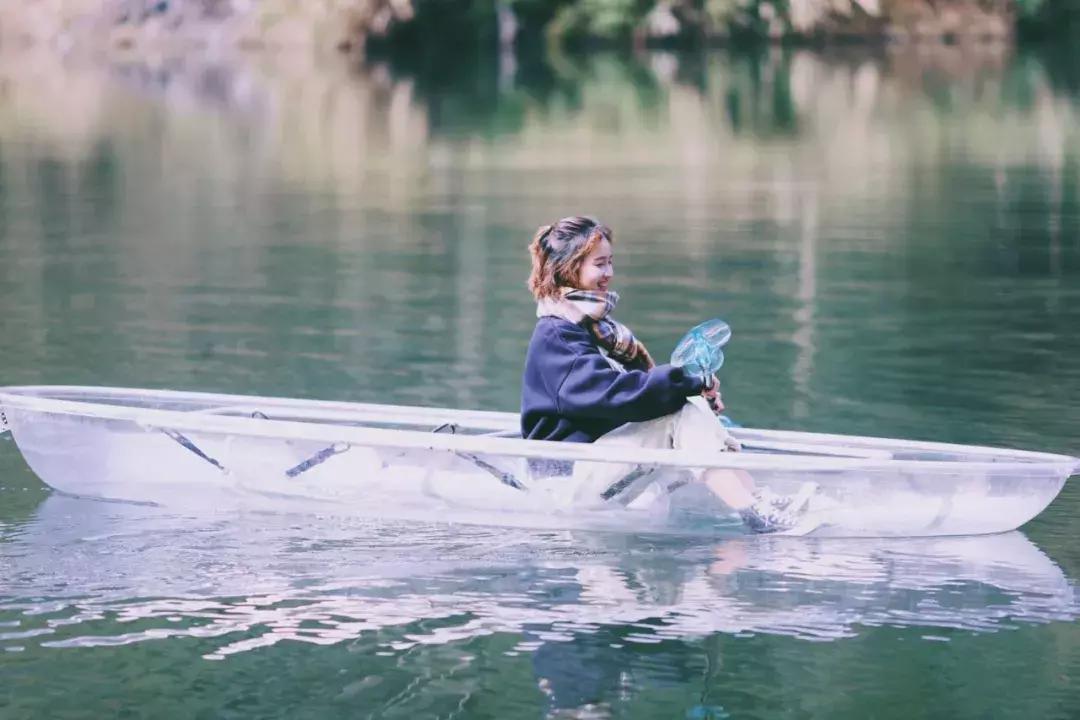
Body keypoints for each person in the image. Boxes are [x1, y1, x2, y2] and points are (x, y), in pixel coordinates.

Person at [519, 215, 808, 533]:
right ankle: (755, 511)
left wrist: (696, 391)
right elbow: (612, 395)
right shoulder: (557, 335)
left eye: (611, 263)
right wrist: (688, 382)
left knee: (688, 410)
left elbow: (637, 395)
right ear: (569, 268)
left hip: (593, 466)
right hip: (564, 484)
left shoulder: (596, 329)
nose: (609, 274)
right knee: (679, 415)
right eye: (599, 264)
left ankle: (757, 500)